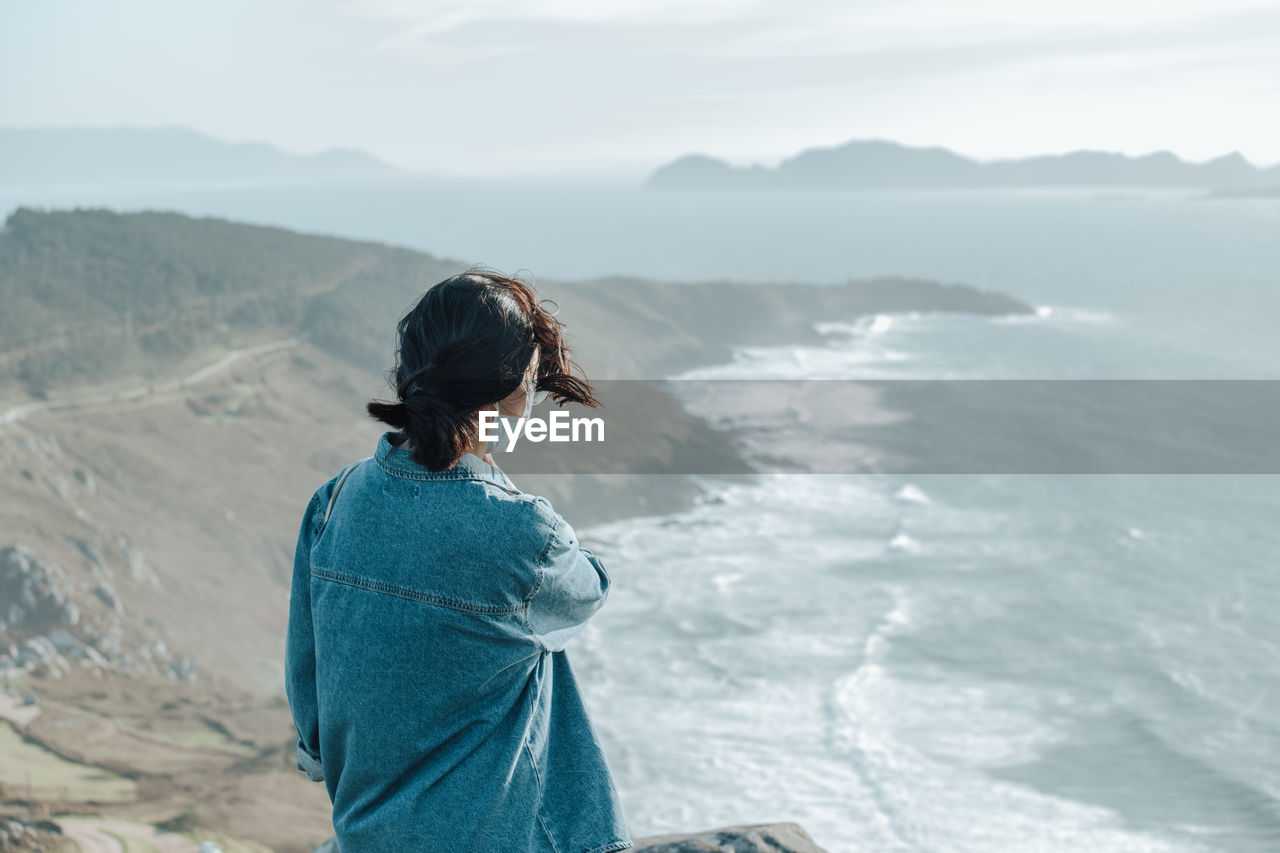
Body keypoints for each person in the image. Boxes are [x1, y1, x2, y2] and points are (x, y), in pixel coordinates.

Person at [285, 269, 632, 853]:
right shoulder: (523, 531)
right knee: (536, 647)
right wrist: (503, 497)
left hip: (366, 830)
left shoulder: (335, 499)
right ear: (512, 387)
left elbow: (307, 659)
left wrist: (317, 752)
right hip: (488, 837)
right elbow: (588, 589)